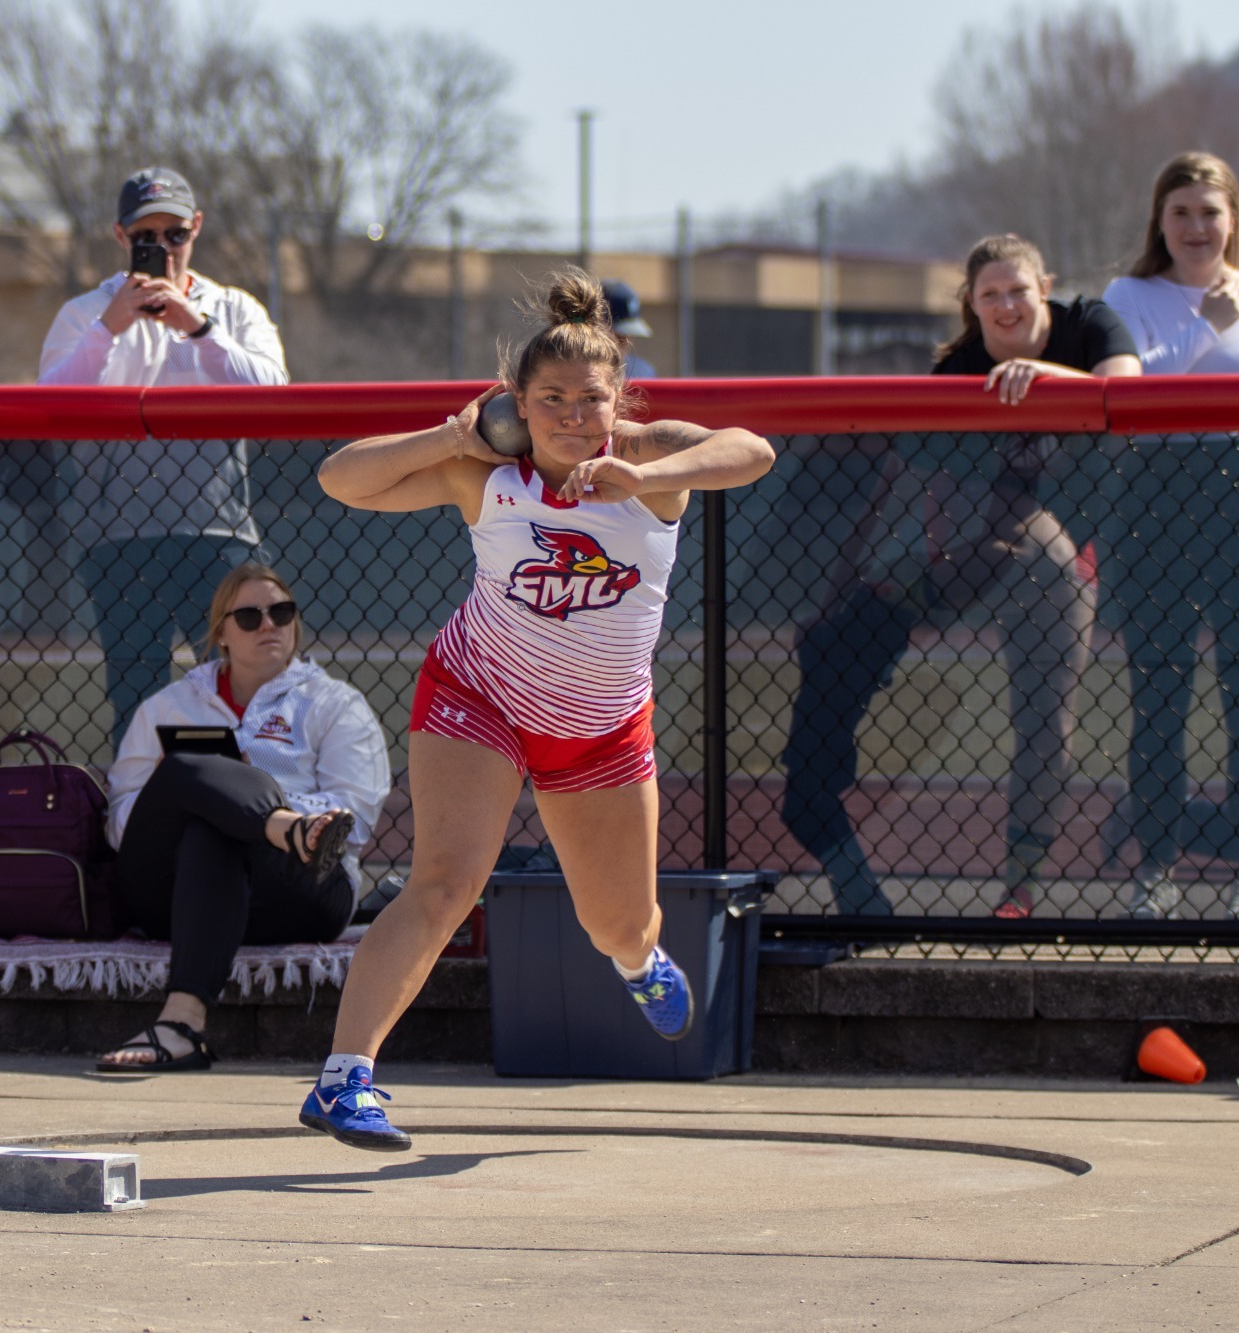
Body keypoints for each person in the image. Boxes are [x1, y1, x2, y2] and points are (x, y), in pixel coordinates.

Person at [301, 270, 774, 1149]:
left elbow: (751, 451)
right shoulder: (487, 472)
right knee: (445, 883)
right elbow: (341, 479)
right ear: (516, 401)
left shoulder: (650, 459)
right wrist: (449, 433)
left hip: (598, 727)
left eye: (589, 399)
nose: (570, 416)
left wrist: (646, 473)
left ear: (617, 396)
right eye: (548, 398)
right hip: (478, 694)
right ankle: (344, 1078)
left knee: (617, 923)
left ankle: (639, 961)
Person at [781, 234, 1139, 919]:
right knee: (834, 642)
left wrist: (1043, 379)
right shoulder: (957, 370)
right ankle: (832, 836)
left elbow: (1125, 391)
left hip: (1067, 560)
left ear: (1046, 288)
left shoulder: (1089, 324)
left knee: (1044, 713)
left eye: (1019, 291)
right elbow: (905, 487)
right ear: (971, 306)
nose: (1006, 306)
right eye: (989, 296)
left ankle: (1022, 883)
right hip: (966, 561)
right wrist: (839, 591)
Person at [95, 563, 391, 1070]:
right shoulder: (169, 707)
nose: (269, 625)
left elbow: (354, 817)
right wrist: (196, 793)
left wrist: (255, 798)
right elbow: (120, 821)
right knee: (195, 786)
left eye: (281, 612)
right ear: (221, 634)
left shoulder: (335, 705)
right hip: (175, 896)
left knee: (217, 813)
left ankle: (181, 1022)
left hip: (302, 890)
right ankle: (276, 825)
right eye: (250, 616)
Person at [37, 167, 289, 746]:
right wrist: (112, 325)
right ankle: (140, 826)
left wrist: (196, 327)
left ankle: (250, 820)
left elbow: (272, 391)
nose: (163, 250)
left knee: (243, 687)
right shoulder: (86, 313)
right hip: (117, 536)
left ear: (196, 229)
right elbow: (51, 403)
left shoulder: (231, 308)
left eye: (175, 234)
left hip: (219, 530)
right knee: (136, 696)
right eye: (146, 237)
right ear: (121, 237)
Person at [1100, 151, 1239, 918]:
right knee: (1161, 693)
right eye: (1181, 211)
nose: (1196, 226)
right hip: (1155, 500)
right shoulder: (1131, 294)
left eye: (1210, 211)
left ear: (1232, 219)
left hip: (1236, 495)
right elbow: (1130, 392)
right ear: (1160, 220)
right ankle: (1153, 871)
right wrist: (1206, 325)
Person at [603, 280, 658, 379]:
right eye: (618, 335)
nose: (625, 341)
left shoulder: (643, 372)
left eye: (629, 334)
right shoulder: (574, 370)